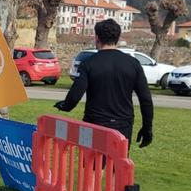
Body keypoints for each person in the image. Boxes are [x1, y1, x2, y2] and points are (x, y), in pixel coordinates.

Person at [54, 18, 153, 148]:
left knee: (90, 165)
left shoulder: (88, 63)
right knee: (117, 164)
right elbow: (145, 99)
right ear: (118, 38)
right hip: (122, 124)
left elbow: (75, 95)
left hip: (94, 122)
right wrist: (147, 127)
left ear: (97, 38)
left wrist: (64, 106)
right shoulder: (133, 63)